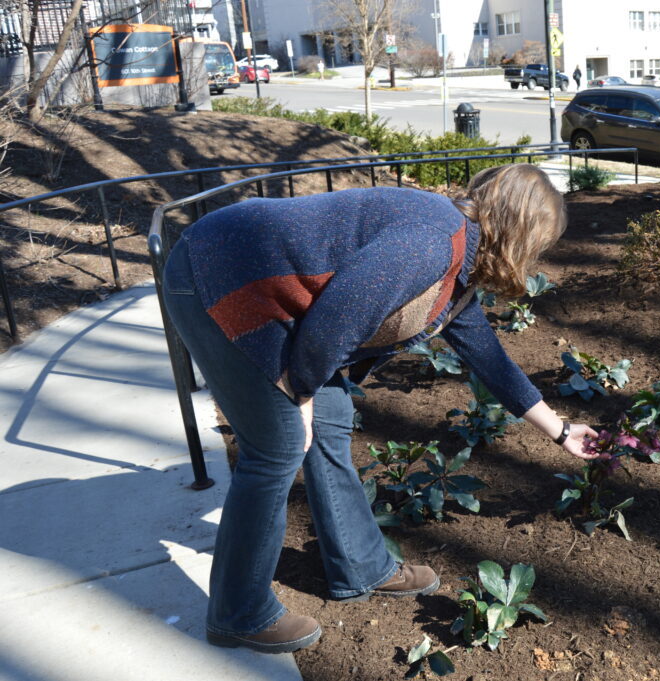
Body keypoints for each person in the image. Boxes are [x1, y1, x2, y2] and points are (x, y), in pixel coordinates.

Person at [162, 164, 600, 655]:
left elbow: (487, 356)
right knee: (278, 447)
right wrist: (300, 395)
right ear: (523, 229)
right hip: (218, 274)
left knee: (327, 425)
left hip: (266, 288)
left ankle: (360, 566)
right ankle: (238, 613)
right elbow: (334, 324)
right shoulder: (430, 242)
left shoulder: (457, 258)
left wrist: (561, 431)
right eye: (540, 242)